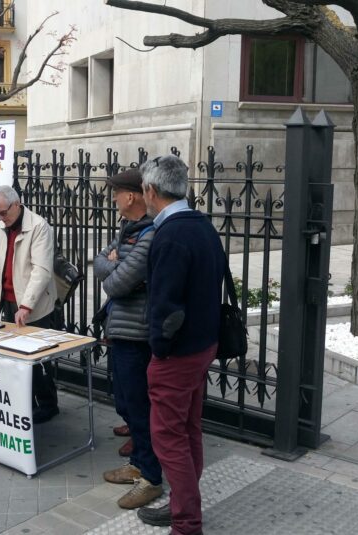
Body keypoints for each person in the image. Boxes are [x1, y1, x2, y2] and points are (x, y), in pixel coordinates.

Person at [136, 156, 225, 535]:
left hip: (179, 354)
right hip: (202, 346)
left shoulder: (171, 235)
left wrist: (160, 348)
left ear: (151, 191)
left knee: (169, 438)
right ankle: (180, 505)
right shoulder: (202, 226)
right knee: (187, 431)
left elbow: (166, 307)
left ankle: (186, 522)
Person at [94, 168, 163, 510]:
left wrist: (114, 266)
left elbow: (116, 283)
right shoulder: (127, 229)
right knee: (127, 402)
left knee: (139, 407)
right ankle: (138, 462)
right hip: (120, 328)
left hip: (138, 333)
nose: (113, 199)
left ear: (132, 196)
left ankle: (150, 477)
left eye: (116, 194)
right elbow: (98, 263)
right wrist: (113, 264)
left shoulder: (149, 233)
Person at [0, 185, 60, 424]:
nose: (0, 218)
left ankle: (48, 404)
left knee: (37, 359)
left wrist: (27, 305)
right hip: (9, 301)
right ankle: (26, 403)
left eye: (3, 212)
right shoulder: (2, 227)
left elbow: (41, 271)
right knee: (15, 357)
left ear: (17, 204)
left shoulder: (38, 226)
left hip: (33, 305)